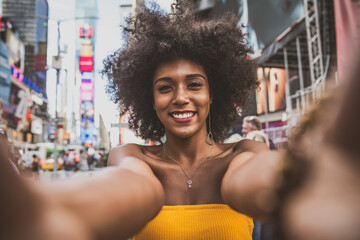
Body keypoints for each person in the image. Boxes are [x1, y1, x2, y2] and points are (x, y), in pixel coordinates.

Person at [1, 1, 360, 240]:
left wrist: (302, 185)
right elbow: (131, 189)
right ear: (149, 101)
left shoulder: (243, 154)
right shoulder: (131, 158)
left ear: (213, 93)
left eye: (194, 84)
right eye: (165, 87)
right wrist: (50, 213)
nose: (181, 97)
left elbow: (256, 178)